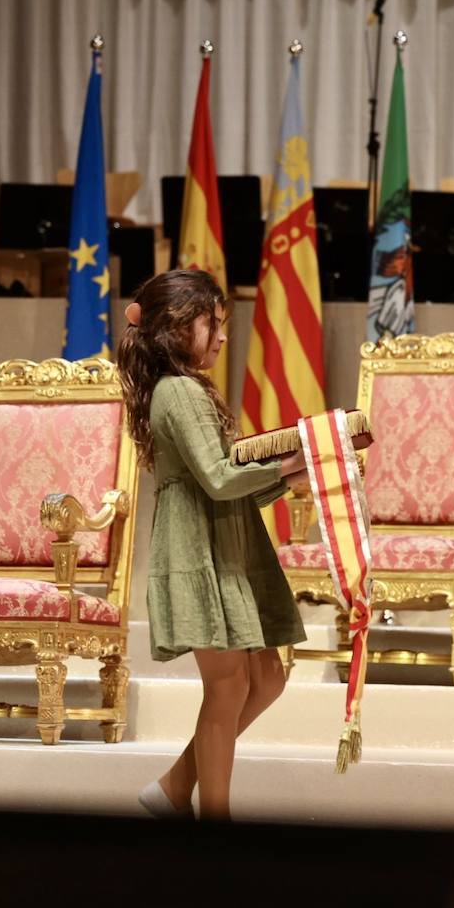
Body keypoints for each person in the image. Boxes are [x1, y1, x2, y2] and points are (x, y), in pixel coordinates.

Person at [116, 269, 308, 821]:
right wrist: (293, 462)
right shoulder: (177, 390)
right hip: (198, 548)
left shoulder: (190, 387)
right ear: (177, 327)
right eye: (213, 324)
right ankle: (212, 822)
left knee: (267, 677)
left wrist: (293, 473)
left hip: (226, 539)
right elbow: (221, 479)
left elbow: (229, 479)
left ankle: (175, 786)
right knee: (227, 690)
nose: (223, 337)